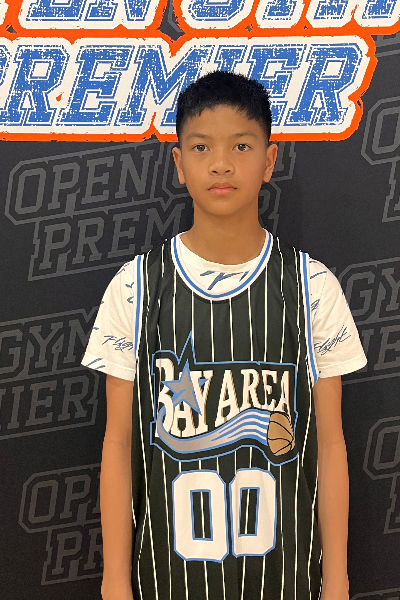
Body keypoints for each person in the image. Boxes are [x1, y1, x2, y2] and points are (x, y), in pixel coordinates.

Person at [82, 71, 367, 600]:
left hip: (286, 580)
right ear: (178, 163)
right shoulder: (137, 286)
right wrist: (114, 581)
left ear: (269, 159)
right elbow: (118, 443)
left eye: (241, 145)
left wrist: (337, 581)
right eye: (201, 147)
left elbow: (330, 444)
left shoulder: (311, 287)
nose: (220, 163)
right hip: (168, 580)